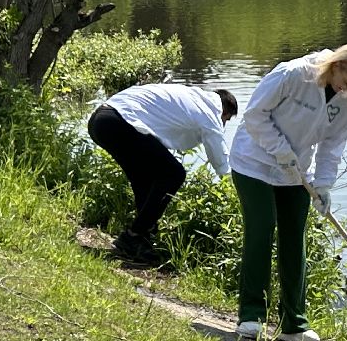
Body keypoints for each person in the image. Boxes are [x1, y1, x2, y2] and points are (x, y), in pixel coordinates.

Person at [229, 42, 347, 341]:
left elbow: (332, 146)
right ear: (336, 65)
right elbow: (255, 115)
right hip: (253, 161)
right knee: (261, 230)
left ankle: (293, 324)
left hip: (295, 172)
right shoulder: (293, 74)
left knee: (294, 238)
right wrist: (280, 150)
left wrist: (323, 185)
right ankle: (251, 316)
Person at [87, 83, 238, 265]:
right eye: (226, 120)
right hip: (119, 121)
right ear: (224, 110)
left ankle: (142, 237)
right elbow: (221, 164)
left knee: (144, 176)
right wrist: (236, 186)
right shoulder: (209, 112)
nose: (224, 124)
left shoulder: (190, 96)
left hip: (100, 120)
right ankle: (133, 236)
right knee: (174, 173)